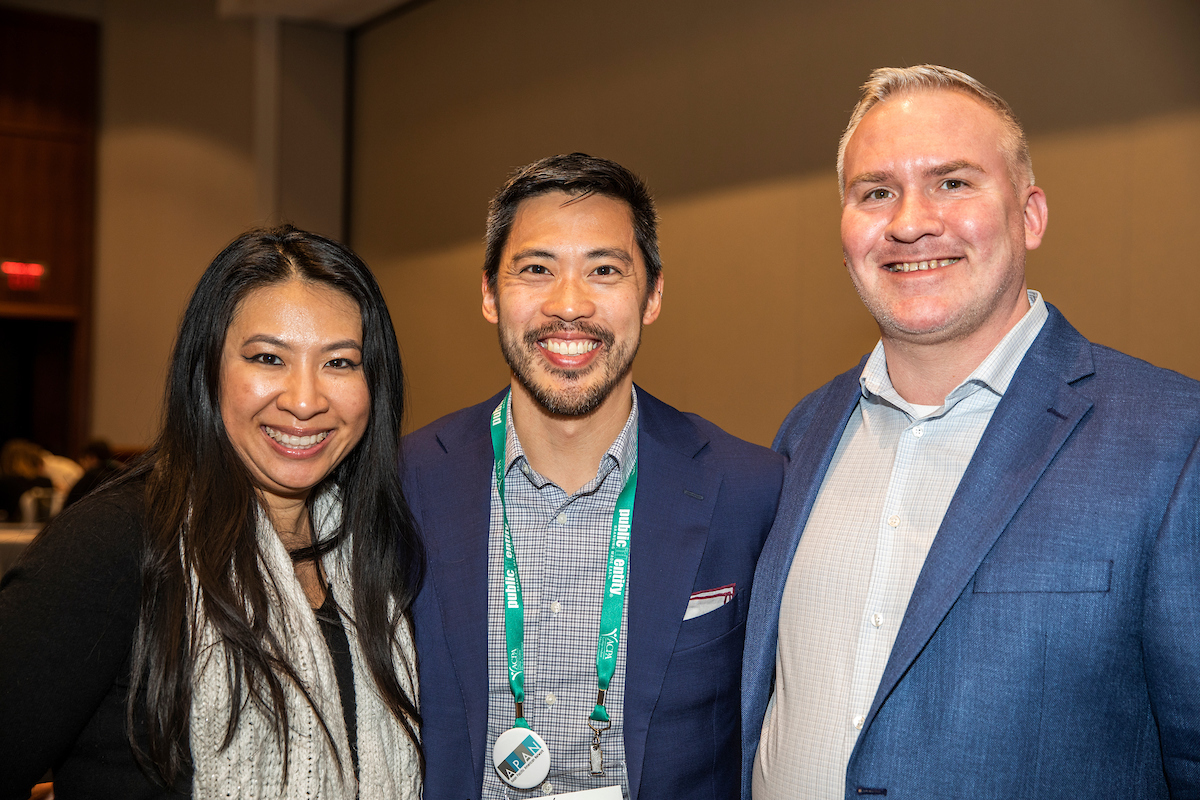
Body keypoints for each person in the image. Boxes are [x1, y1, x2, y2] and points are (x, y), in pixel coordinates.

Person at [742, 65, 1200, 799]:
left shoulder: (1175, 444)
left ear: (1031, 214)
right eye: (875, 192)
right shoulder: (802, 433)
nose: (911, 221)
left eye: (953, 183)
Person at [403, 153, 784, 800]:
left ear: (653, 293)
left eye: (604, 270)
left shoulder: (748, 488)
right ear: (491, 294)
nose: (569, 306)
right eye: (536, 269)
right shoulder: (403, 484)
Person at [0, 226, 424, 799]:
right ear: (208, 371)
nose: (304, 400)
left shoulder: (379, 554)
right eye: (268, 358)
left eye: (340, 363)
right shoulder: (117, 542)